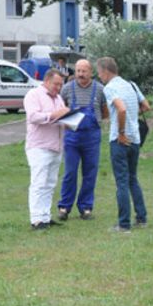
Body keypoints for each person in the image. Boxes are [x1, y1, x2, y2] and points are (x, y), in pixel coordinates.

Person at [97, 56, 150, 233]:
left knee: (121, 182)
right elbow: (146, 106)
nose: (99, 76)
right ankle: (141, 218)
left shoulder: (110, 88)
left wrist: (120, 132)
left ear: (105, 71)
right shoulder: (130, 85)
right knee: (132, 178)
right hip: (135, 139)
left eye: (99, 73)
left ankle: (124, 224)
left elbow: (121, 108)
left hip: (120, 140)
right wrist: (132, 120)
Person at [57, 59, 108, 221]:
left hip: (92, 137)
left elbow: (105, 112)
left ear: (91, 72)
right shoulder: (66, 89)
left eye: (84, 71)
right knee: (70, 173)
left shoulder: (100, 89)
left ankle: (86, 207)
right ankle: (64, 207)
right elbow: (60, 109)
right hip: (72, 137)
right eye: (78, 71)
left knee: (90, 173)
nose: (80, 74)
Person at [23, 69, 71, 230]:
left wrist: (70, 119)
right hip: (39, 146)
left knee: (50, 183)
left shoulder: (58, 98)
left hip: (56, 145)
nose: (58, 88)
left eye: (60, 85)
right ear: (47, 81)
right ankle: (36, 219)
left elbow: (61, 117)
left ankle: (45, 216)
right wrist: (54, 114)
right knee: (38, 182)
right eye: (56, 84)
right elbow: (33, 117)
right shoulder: (34, 95)